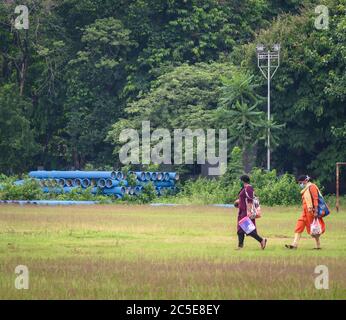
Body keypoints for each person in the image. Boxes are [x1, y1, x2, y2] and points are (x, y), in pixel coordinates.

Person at [285, 175, 326, 250]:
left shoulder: (312, 187)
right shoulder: (306, 188)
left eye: (300, 182)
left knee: (314, 230)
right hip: (304, 212)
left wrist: (316, 211)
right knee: (299, 226)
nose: (300, 184)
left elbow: (315, 199)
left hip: (311, 212)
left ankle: (318, 245)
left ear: (305, 181)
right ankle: (294, 244)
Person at [234, 175, 267, 250]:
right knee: (240, 230)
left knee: (248, 230)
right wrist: (238, 201)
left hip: (246, 212)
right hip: (241, 211)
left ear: (242, 181)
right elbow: (244, 198)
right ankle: (240, 246)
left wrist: (249, 211)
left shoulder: (248, 187)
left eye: (240, 180)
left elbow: (250, 200)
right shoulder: (244, 188)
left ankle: (262, 240)